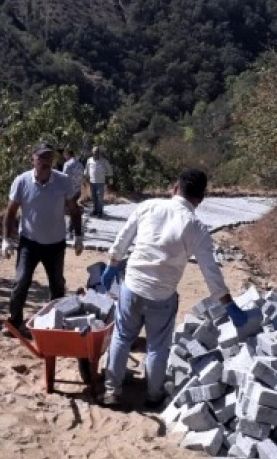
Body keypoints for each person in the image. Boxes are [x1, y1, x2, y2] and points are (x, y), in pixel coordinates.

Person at [98, 168, 237, 409]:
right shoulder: (197, 228)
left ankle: (112, 391)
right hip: (162, 296)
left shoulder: (148, 206)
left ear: (175, 188)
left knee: (121, 337)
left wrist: (113, 264)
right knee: (157, 346)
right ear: (201, 198)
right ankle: (153, 396)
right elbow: (210, 272)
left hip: (132, 286)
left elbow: (122, 239)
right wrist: (229, 304)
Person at [2, 142, 84, 338]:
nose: (45, 161)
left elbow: (73, 209)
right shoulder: (22, 181)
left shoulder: (63, 181)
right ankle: (15, 322)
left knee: (57, 284)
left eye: (49, 157)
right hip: (29, 242)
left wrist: (79, 235)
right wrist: (6, 239)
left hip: (55, 244)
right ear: (33, 159)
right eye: (41, 158)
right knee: (21, 281)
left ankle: (56, 324)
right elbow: (10, 212)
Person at [61, 148, 85, 237]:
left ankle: (69, 230)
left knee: (67, 211)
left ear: (68, 154)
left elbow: (63, 178)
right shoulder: (80, 164)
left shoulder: (67, 164)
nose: (63, 156)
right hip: (77, 190)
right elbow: (81, 177)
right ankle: (73, 229)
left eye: (64, 154)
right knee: (73, 210)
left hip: (69, 191)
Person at [85, 146, 113, 217]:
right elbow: (87, 170)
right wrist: (85, 177)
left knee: (100, 197)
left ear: (99, 153)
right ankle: (95, 210)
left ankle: (100, 211)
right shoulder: (89, 160)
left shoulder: (104, 161)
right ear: (92, 153)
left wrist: (110, 178)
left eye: (97, 153)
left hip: (100, 182)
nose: (95, 154)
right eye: (94, 153)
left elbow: (109, 169)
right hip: (92, 182)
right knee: (93, 197)